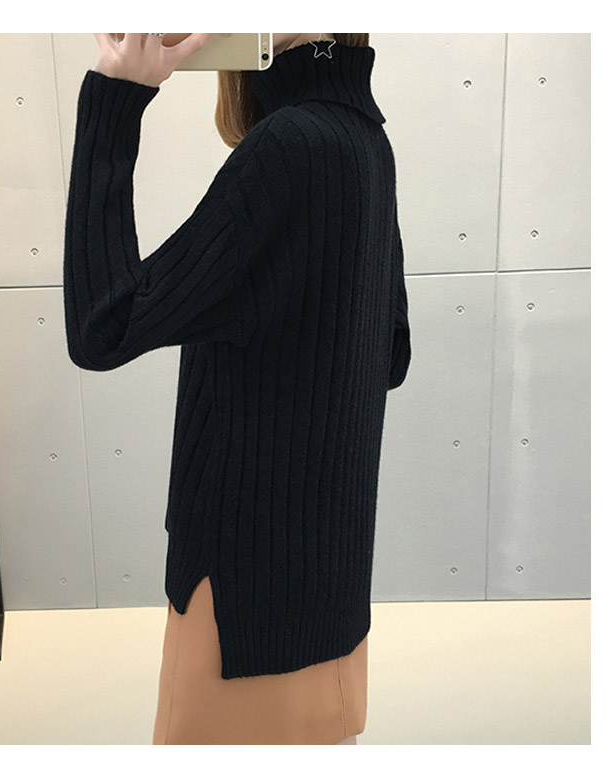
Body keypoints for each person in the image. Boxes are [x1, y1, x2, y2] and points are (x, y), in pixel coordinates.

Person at [63, 32, 411, 745]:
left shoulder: (289, 148)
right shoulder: (366, 141)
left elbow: (103, 326)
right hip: (328, 588)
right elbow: (392, 356)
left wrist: (115, 100)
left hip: (242, 591)